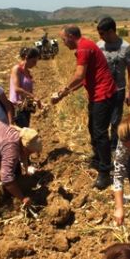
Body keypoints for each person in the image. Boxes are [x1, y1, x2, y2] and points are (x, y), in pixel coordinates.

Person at [51, 25, 117, 190]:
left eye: (64, 39)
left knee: (100, 133)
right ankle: (99, 159)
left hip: (103, 94)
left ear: (72, 36)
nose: (63, 43)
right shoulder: (85, 46)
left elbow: (79, 75)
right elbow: (83, 80)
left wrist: (62, 92)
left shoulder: (84, 48)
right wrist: (63, 95)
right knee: (93, 129)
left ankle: (105, 172)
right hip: (97, 95)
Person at [96, 17, 130, 151]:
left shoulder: (126, 47)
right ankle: (102, 146)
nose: (100, 37)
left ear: (111, 31)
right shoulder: (99, 46)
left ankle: (113, 147)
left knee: (115, 120)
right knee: (102, 121)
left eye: (102, 33)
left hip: (119, 90)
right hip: (102, 90)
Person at [9, 47, 41, 128]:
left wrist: (37, 102)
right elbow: (17, 89)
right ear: (26, 58)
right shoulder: (16, 69)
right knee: (22, 132)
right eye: (34, 61)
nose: (35, 64)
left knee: (26, 129)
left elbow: (28, 91)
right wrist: (34, 97)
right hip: (18, 106)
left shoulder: (28, 72)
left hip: (26, 105)